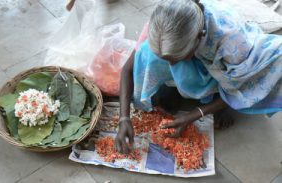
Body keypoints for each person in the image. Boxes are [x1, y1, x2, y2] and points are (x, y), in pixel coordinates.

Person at [115, 0, 282, 154]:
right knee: (146, 54)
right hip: (192, 48)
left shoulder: (232, 43)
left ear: (200, 37)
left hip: (228, 65)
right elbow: (128, 69)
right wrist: (123, 118)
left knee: (238, 88)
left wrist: (196, 114)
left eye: (177, 59)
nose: (172, 65)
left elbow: (241, 87)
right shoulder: (164, 20)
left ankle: (216, 102)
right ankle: (178, 86)